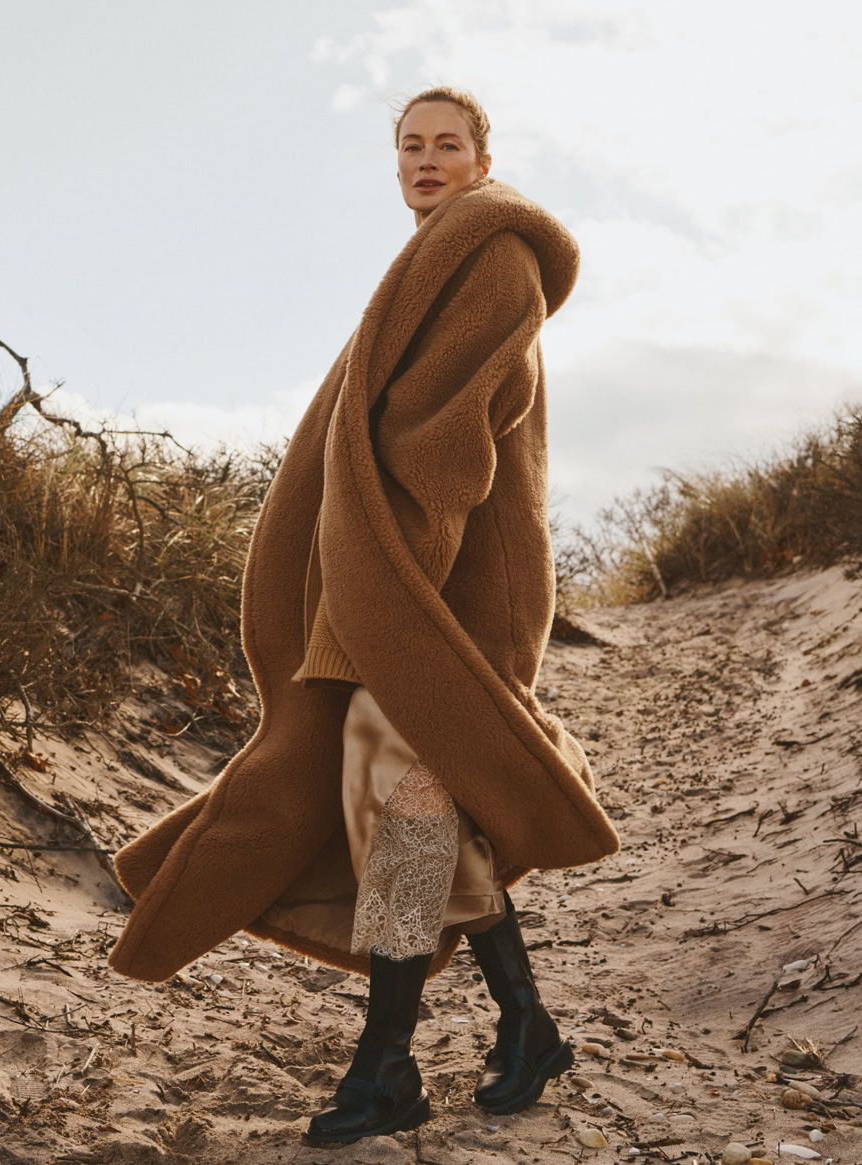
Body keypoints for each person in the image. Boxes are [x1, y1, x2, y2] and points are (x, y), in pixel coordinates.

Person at [106, 84, 619, 1151]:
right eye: (409, 147)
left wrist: (396, 600)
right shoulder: (439, 261)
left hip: (432, 596)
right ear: (396, 166)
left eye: (447, 145)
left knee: (411, 814)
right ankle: (522, 1029)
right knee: (421, 817)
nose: (426, 161)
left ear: (483, 160)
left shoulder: (489, 255)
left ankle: (386, 1065)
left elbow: (442, 446)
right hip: (402, 592)